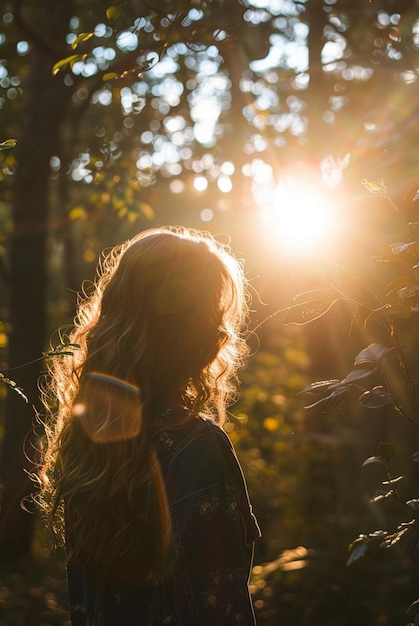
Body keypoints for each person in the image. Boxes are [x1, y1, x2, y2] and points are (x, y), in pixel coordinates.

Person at [39, 225, 261, 625]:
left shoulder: (86, 444)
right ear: (190, 330)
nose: (218, 328)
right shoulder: (198, 449)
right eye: (211, 309)